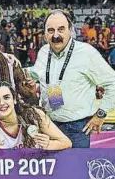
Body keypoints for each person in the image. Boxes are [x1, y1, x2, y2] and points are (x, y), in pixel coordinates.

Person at [29, 10, 115, 148]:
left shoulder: (87, 53)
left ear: (71, 30)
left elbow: (112, 82)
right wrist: (12, 63)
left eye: (61, 29)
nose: (55, 35)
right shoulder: (44, 52)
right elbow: (35, 74)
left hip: (77, 129)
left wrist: (100, 114)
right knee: (54, 169)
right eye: (50, 30)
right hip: (49, 126)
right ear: (44, 33)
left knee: (76, 168)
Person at [0, 82, 72, 150]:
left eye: (6, 97)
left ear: (15, 99)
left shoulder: (35, 115)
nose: (2, 103)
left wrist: (48, 144)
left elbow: (67, 143)